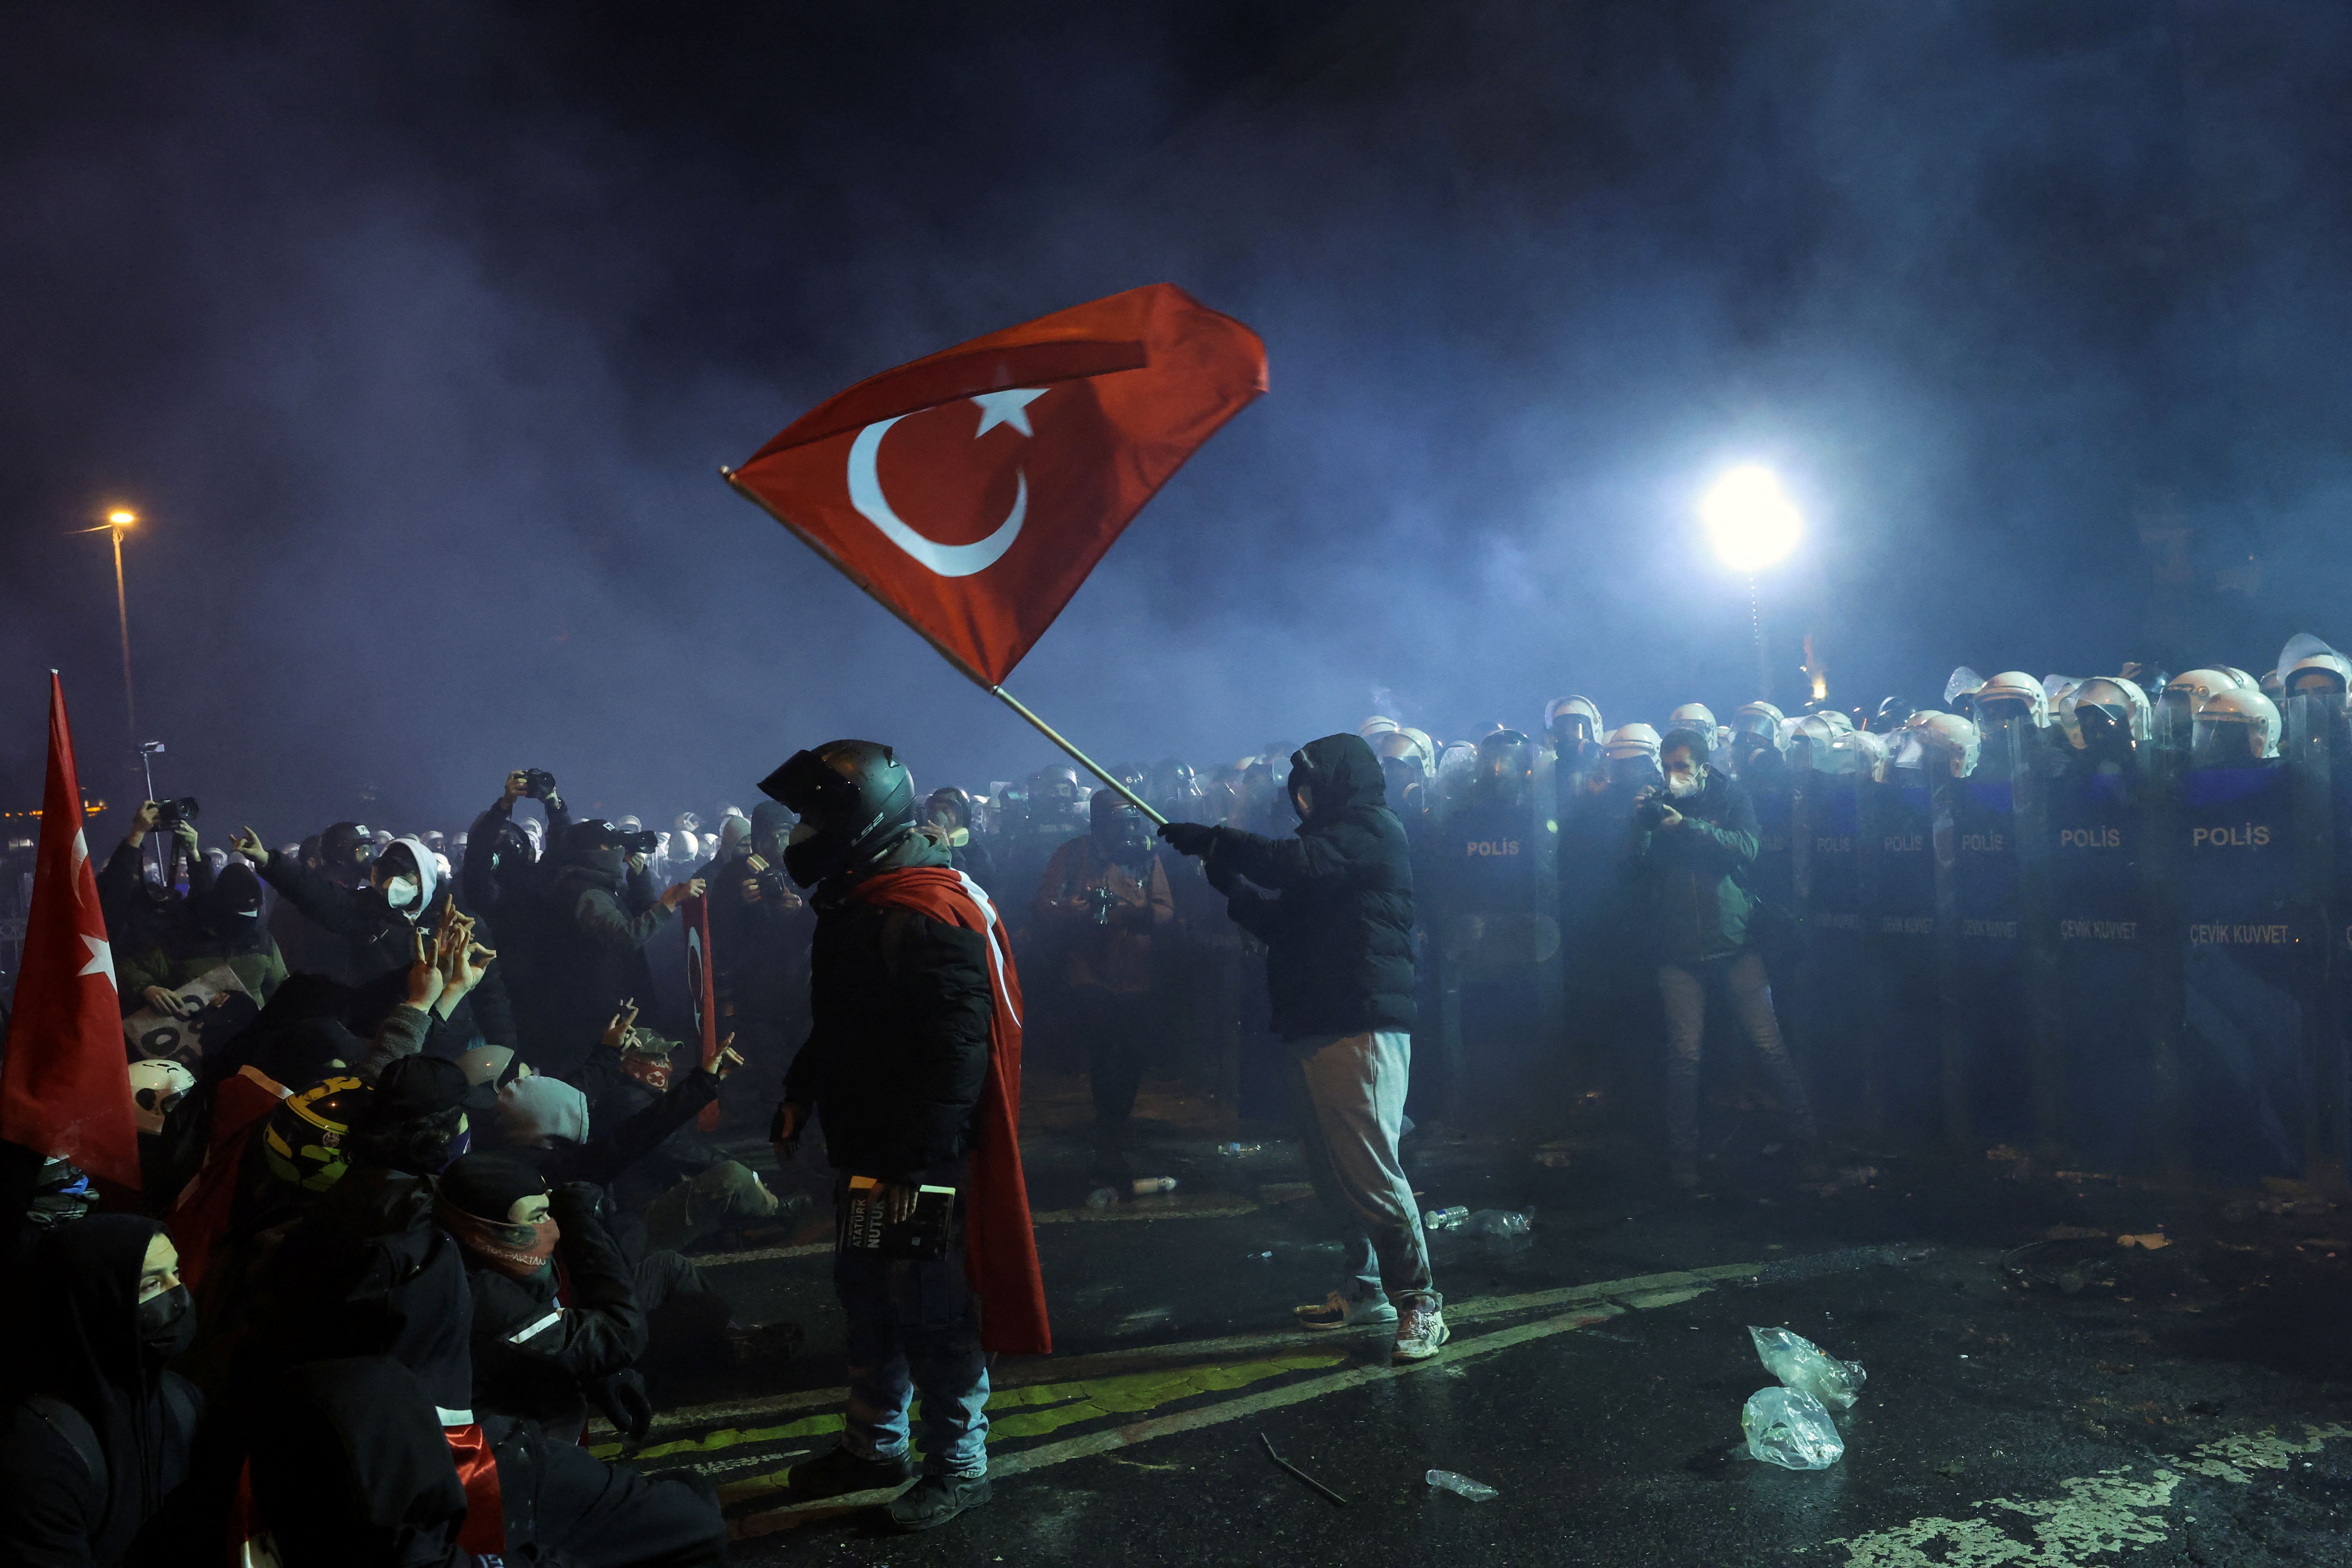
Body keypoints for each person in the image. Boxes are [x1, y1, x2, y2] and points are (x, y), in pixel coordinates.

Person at [764, 739, 1047, 1531]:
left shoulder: (926, 907)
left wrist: (923, 1159)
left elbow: (959, 1048)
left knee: (933, 1308)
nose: (805, 828)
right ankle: (874, 1441)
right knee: (870, 1301)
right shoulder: (867, 896)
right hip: (872, 1143)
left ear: (863, 814)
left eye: (820, 811)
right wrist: (801, 1089)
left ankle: (958, 1460)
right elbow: (841, 1020)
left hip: (917, 1151)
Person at [1156, 734, 1444, 1361]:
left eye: (1314, 784)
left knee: (1369, 1169)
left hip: (1360, 1019)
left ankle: (1420, 1303)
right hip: (1317, 1019)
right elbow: (1285, 924)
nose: (1304, 796)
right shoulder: (1333, 847)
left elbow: (1291, 864)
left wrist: (1216, 840)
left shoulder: (1372, 829)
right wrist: (1232, 890)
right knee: (1334, 1171)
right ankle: (1366, 1288)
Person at [1629, 729, 1822, 1190]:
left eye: (1681, 766)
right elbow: (1633, 867)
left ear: (1703, 765)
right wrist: (1639, 822)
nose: (1673, 775)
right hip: (1678, 951)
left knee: (1769, 1047)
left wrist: (1687, 826)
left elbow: (1746, 848)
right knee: (1684, 1058)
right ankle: (1684, 1160)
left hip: (1736, 945)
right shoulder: (1656, 803)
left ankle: (1809, 1146)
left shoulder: (1732, 796)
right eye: (1667, 765)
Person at [0, 1216, 210, 1567]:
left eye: (177, 1273)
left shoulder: (183, 1401)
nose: (180, 1297)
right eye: (150, 1286)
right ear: (94, 1299)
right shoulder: (38, 1452)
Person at [233, 828, 516, 1050]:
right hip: (379, 1036)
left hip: (446, 1040)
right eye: (386, 874)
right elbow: (315, 893)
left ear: (424, 876)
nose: (391, 884)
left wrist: (506, 1055)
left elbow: (492, 997)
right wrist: (270, 861)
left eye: (403, 875)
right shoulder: (364, 911)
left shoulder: (461, 922)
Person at [1033, 789, 1175, 1178]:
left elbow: (1165, 911)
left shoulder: (1145, 857)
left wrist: (1133, 913)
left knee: (1130, 1056)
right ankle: (1108, 1127)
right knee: (1106, 1050)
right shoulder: (1073, 855)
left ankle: (1117, 1120)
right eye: (1119, 822)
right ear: (1099, 822)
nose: (1127, 830)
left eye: (1131, 821)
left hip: (1136, 973)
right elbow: (1045, 904)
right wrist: (1074, 909)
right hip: (1089, 970)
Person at [530, 821, 704, 1072]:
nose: (618, 852)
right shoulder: (586, 892)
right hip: (594, 1010)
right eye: (611, 845)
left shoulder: (596, 882)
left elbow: (636, 912)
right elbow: (628, 935)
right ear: (590, 852)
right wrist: (672, 902)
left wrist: (639, 876)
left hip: (605, 1000)